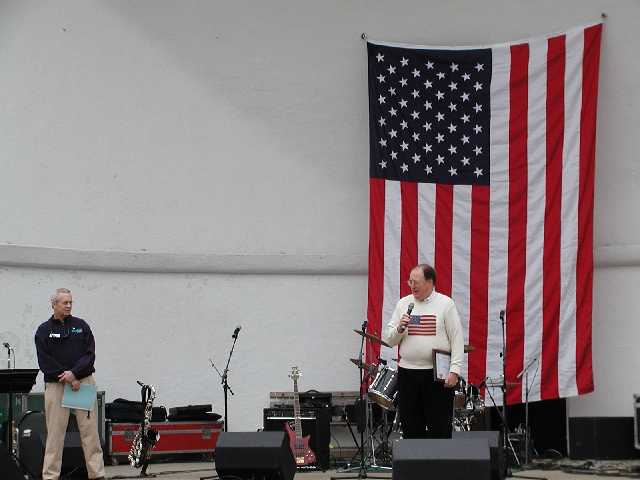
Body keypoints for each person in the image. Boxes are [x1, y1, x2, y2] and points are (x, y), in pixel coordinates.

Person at [382, 264, 464, 439]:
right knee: (411, 425)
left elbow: (457, 339)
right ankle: (415, 465)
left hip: (437, 376)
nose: (412, 285)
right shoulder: (403, 304)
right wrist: (399, 328)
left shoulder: (445, 304)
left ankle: (440, 464)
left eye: (416, 282)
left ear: (430, 282)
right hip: (408, 374)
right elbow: (389, 340)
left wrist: (455, 370)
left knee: (439, 425)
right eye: (410, 281)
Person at [34, 288, 105, 480]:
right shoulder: (43, 330)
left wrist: (74, 374)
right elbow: (44, 361)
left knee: (89, 432)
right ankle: (50, 476)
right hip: (57, 385)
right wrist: (66, 377)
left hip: (81, 383)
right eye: (64, 302)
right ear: (54, 305)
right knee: (55, 434)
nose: (68, 305)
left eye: (70, 302)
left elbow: (90, 355)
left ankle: (97, 474)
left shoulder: (81, 326)